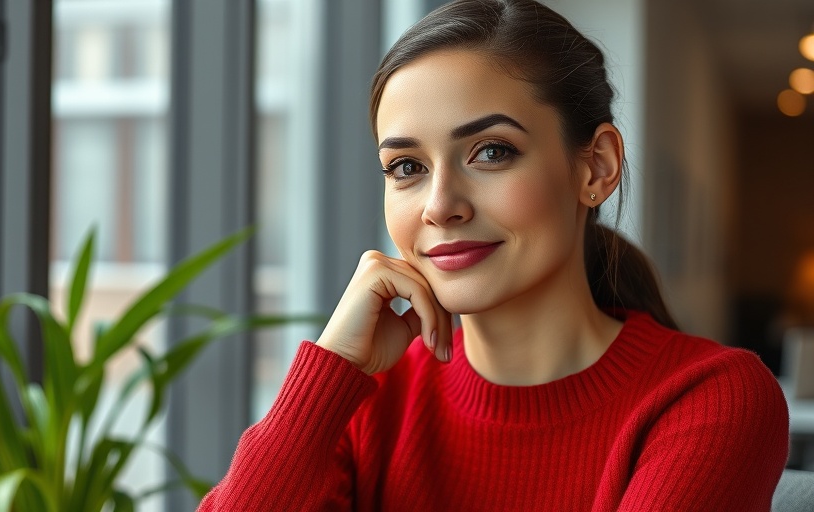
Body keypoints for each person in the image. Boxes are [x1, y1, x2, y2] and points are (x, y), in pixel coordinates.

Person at [198, 0, 789, 509]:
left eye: (491, 153)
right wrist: (331, 374)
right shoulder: (367, 400)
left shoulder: (710, 401)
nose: (439, 205)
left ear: (596, 166)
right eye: (407, 167)